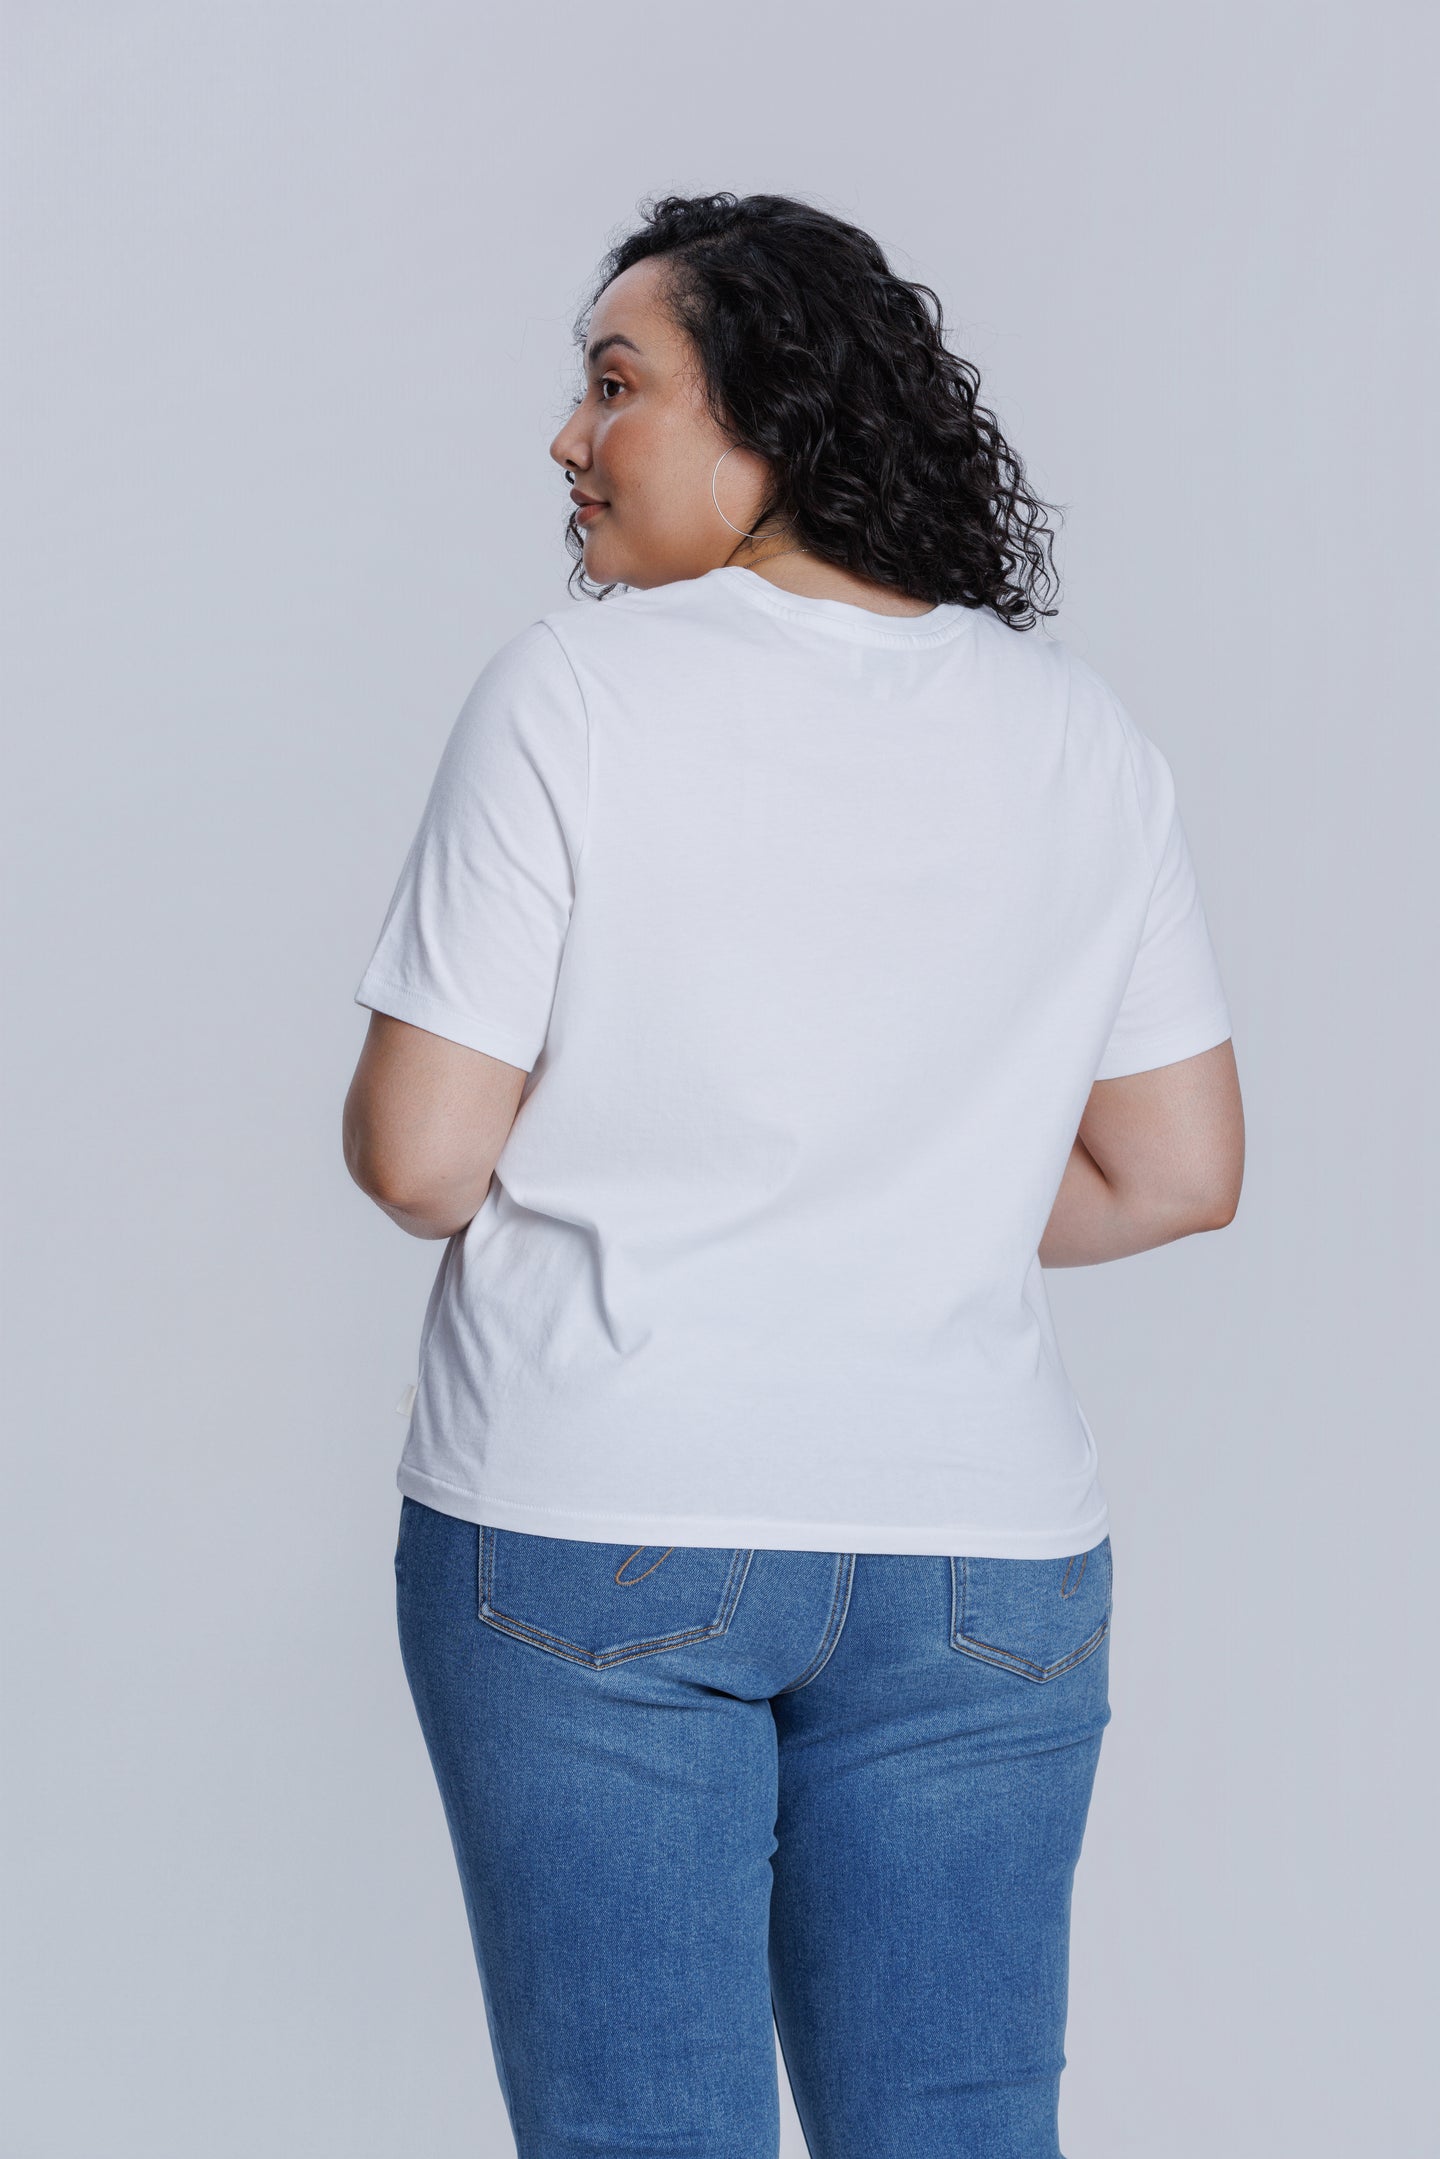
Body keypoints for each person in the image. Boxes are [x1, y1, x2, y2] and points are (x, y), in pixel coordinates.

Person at [342, 191, 1244, 2159]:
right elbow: (1178, 1171)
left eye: (615, 385)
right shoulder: (1077, 732)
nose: (568, 441)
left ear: (770, 419)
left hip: (595, 1522)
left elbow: (420, 1162)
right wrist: (892, 1210)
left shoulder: (575, 691)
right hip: (986, 1559)